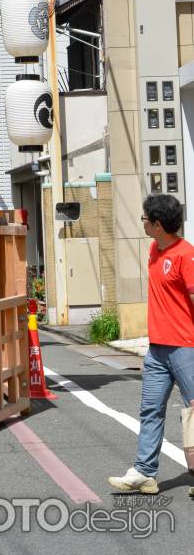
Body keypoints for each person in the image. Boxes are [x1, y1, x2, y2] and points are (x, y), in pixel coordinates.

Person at [108, 194, 194, 495]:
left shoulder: (186, 254)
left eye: (145, 218)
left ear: (158, 224)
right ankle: (145, 472)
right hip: (157, 348)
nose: (142, 222)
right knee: (150, 410)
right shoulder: (154, 250)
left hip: (186, 347)